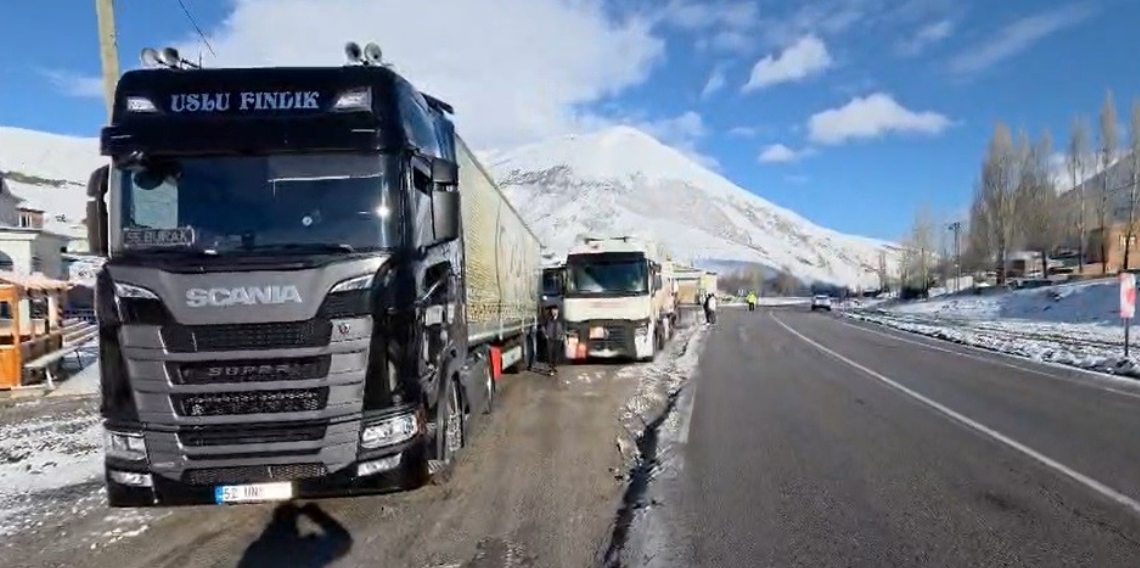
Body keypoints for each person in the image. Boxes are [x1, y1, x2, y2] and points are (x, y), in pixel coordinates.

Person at [542, 305, 563, 376]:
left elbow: (564, 328)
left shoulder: (561, 319)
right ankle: (551, 368)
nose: (554, 311)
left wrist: (562, 336)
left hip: (558, 339)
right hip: (550, 339)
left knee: (556, 354)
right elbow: (542, 326)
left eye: (555, 310)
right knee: (549, 354)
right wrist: (545, 334)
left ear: (558, 311)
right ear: (551, 311)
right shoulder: (548, 318)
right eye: (553, 310)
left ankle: (554, 367)